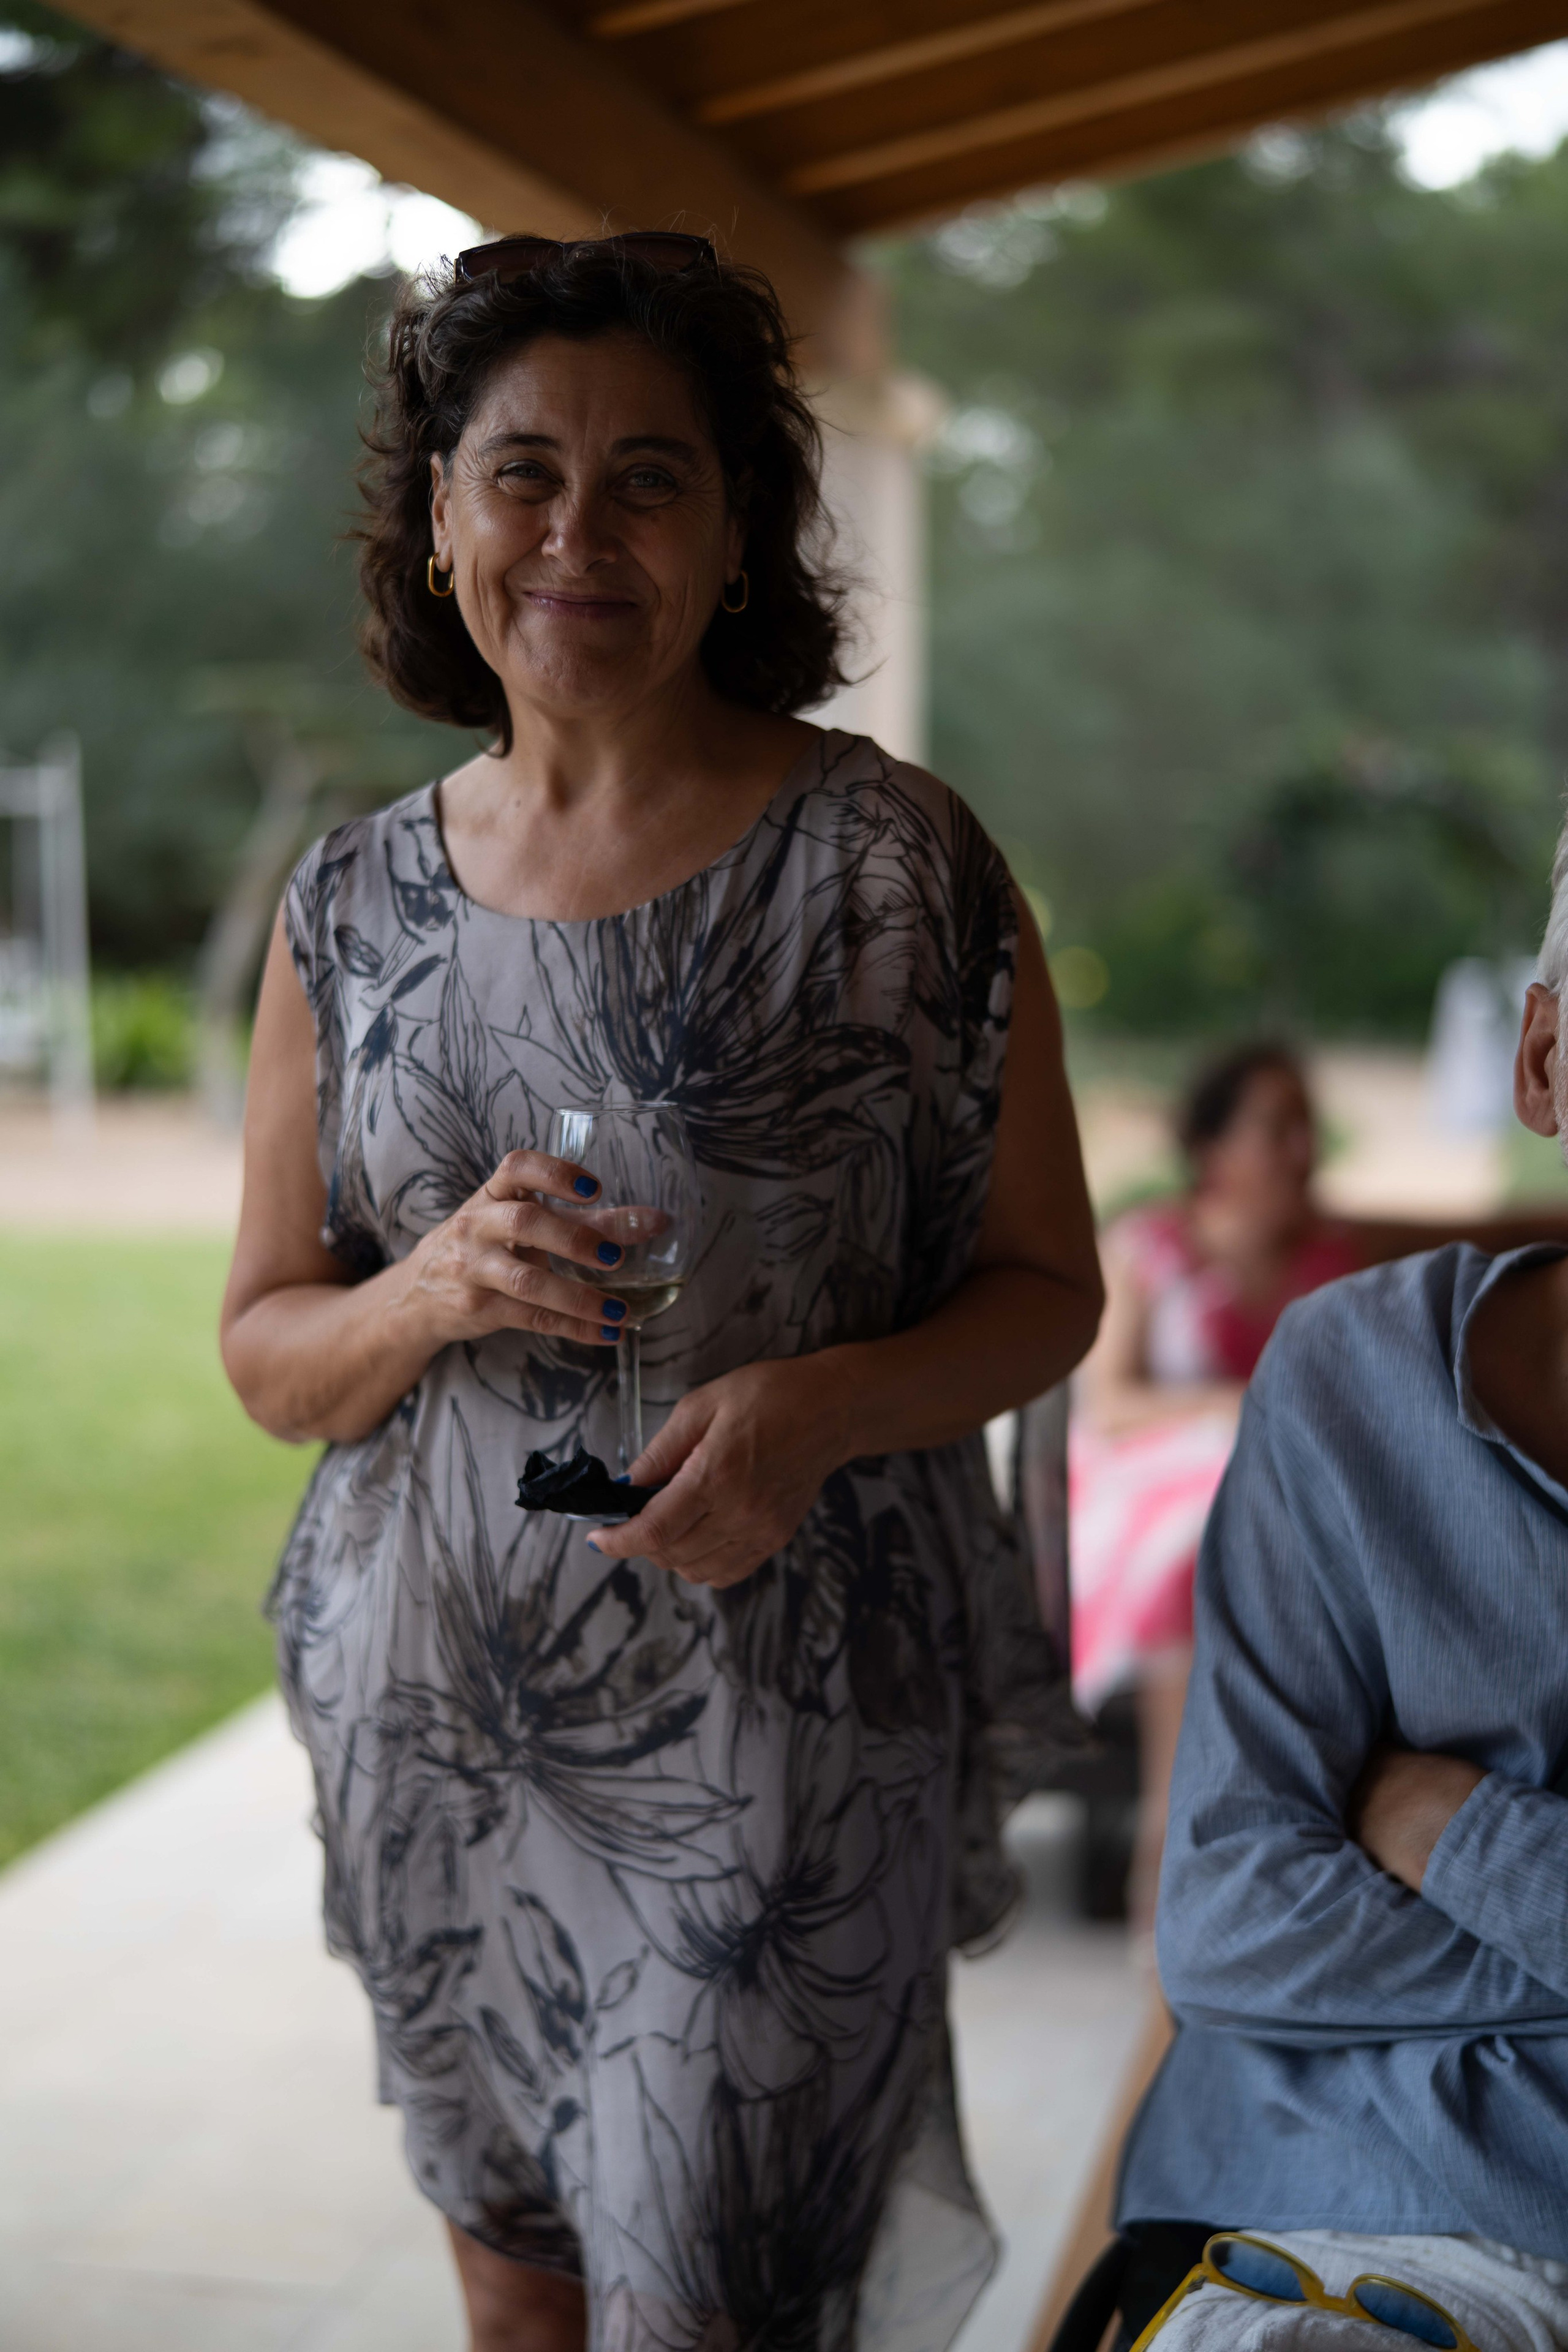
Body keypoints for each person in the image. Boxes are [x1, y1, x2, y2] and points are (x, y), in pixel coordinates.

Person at [219, 232, 1103, 2352]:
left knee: (702, 2312)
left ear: (736, 536)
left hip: (775, 1746)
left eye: (650, 478)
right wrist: (426, 1289)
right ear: (440, 524)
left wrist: (818, 1408)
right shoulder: (350, 907)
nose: (576, 532)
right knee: (523, 2313)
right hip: (441, 1732)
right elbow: (271, 1355)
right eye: (520, 473)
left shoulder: (898, 866)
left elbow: (1046, 1293)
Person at [1107, 816, 1568, 2352]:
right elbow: (1231, 1921)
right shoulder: (1352, 1369)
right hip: (1301, 2208)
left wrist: (1446, 1824)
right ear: (1542, 1062)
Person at [1071, 1042, 1561, 1924]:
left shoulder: (1339, 1258)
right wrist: (1243, 1410)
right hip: (1160, 1485)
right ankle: (1184, 1831)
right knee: (1210, 1527)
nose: (1302, 1148)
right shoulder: (1148, 1247)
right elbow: (1110, 1403)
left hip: (1291, 1494)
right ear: (1211, 1149)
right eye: (1277, 1127)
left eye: (1307, 1127)